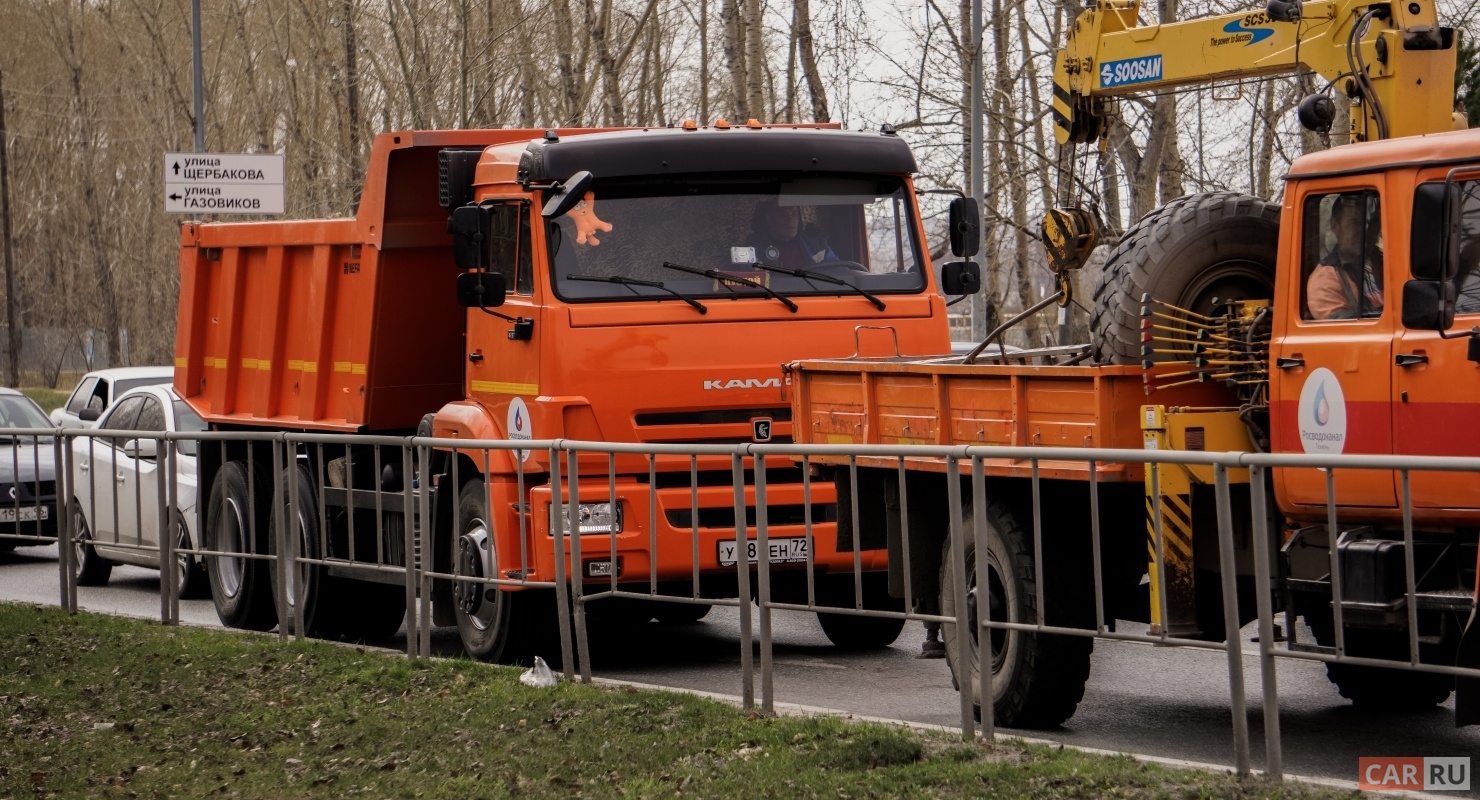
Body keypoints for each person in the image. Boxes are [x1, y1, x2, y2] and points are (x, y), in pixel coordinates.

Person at [1306, 196, 1383, 320]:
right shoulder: (1326, 278)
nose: (1365, 231)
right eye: (1355, 223)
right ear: (1335, 226)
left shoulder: (1388, 263)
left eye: (1372, 224)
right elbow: (1343, 330)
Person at [749, 199, 836, 268]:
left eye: (794, 214)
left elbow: (839, 273)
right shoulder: (753, 253)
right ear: (769, 220)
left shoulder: (818, 246)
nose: (790, 220)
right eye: (783, 215)